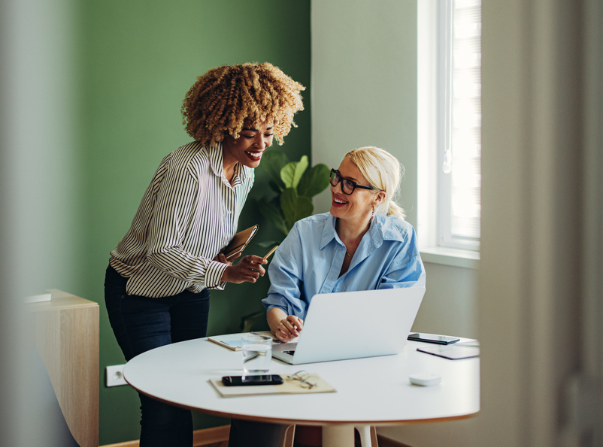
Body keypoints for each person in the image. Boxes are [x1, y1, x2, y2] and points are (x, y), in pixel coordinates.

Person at [104, 62, 305, 447]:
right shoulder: (188, 168)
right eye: (249, 134)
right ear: (222, 125)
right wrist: (224, 274)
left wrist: (231, 262)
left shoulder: (243, 172)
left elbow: (204, 239)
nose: (260, 145)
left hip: (191, 291)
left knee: (182, 393)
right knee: (162, 402)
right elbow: (161, 249)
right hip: (139, 293)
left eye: (267, 133)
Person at [228, 146, 425, 447]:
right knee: (254, 400)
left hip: (362, 361)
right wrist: (282, 323)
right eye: (337, 177)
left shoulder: (400, 239)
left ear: (379, 197)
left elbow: (392, 312)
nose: (336, 188)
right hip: (298, 354)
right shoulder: (304, 232)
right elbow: (279, 301)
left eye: (350, 184)